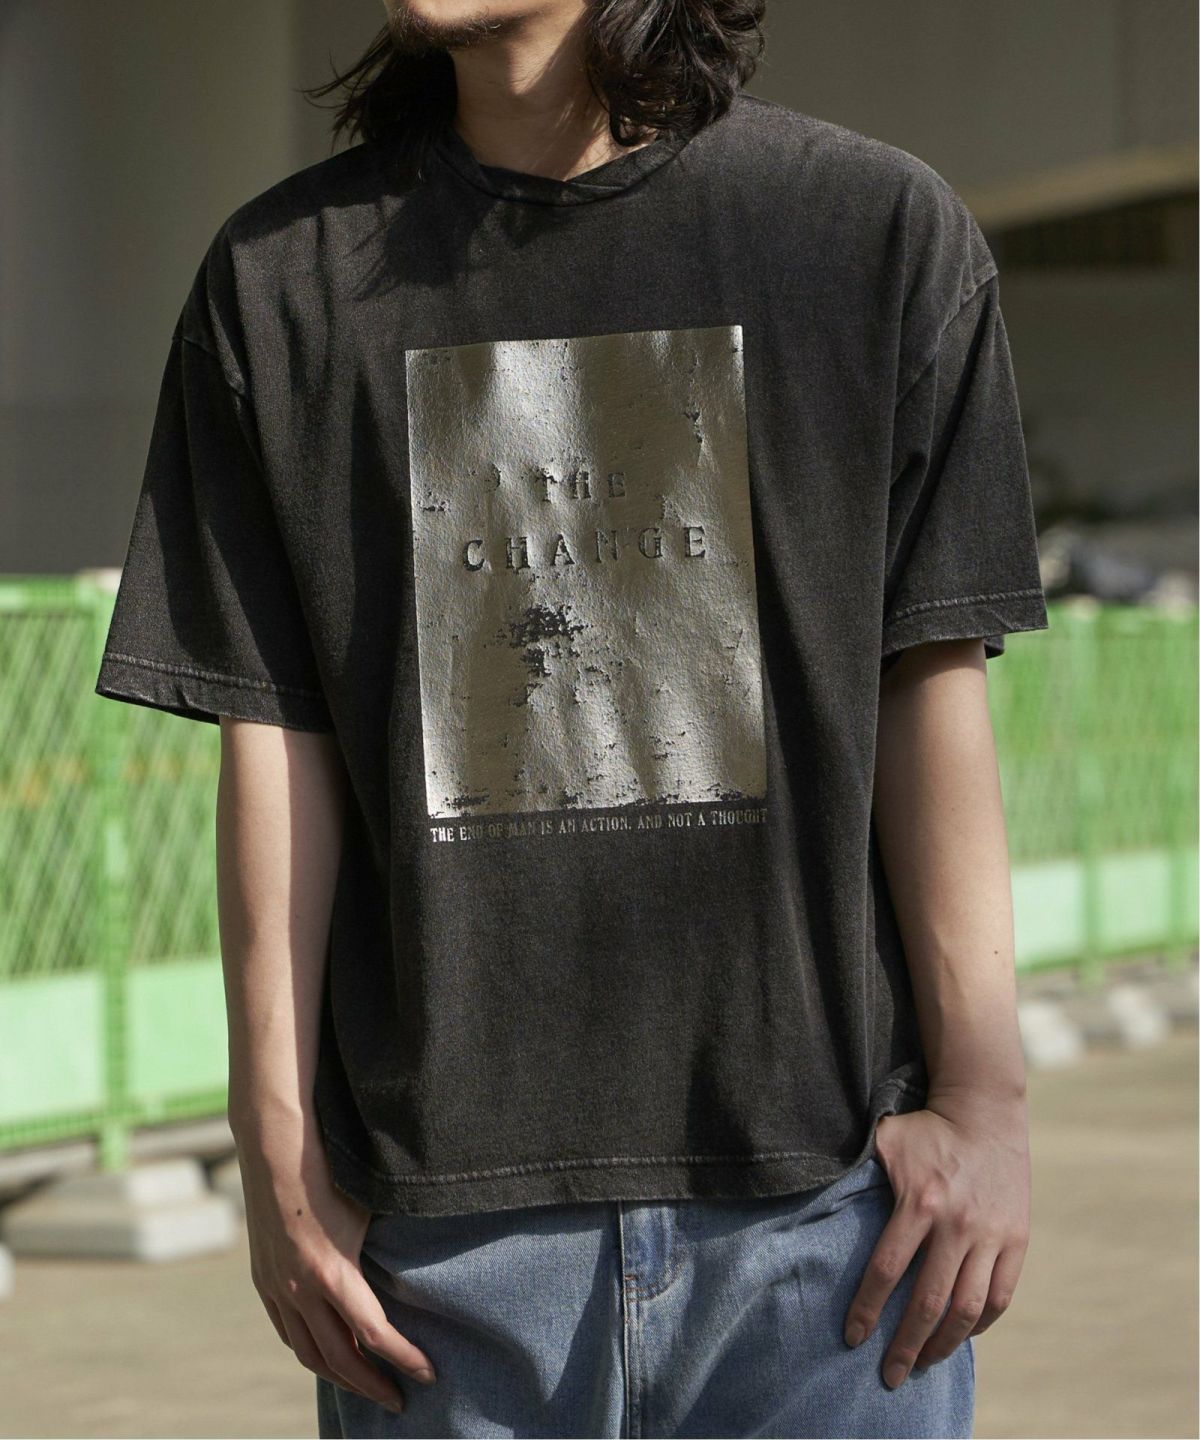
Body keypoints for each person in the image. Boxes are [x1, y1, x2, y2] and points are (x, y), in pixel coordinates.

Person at [94, 0, 1048, 1434]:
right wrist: (277, 1152)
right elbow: (276, 737)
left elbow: (931, 681)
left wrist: (987, 1104)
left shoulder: (871, 237)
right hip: (439, 1262)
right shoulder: (283, 280)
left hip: (824, 1235)